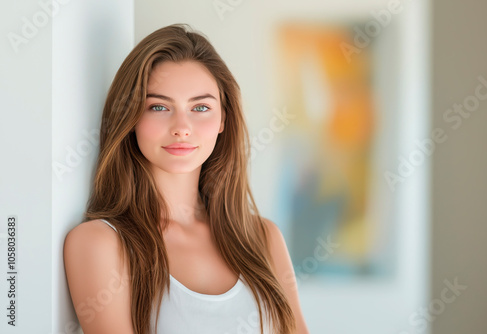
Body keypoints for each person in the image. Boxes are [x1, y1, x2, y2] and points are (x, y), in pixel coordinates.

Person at [63, 23, 309, 334]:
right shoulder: (101, 243)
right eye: (159, 106)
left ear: (223, 119)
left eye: (201, 107)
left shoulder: (263, 237)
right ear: (130, 118)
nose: (182, 126)